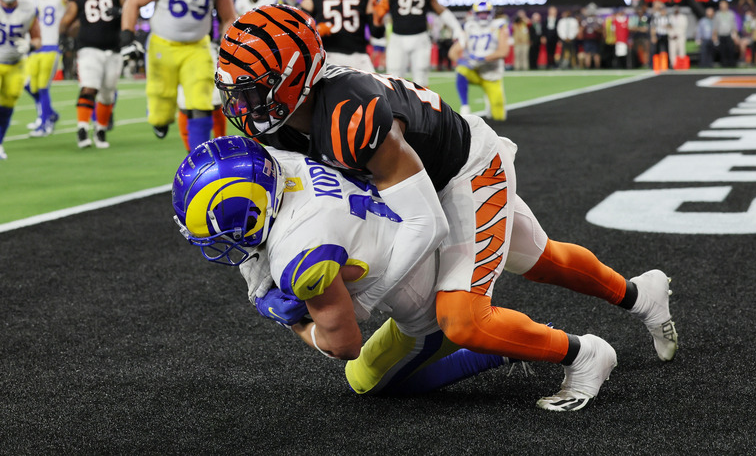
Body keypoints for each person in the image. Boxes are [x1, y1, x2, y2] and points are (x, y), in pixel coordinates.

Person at [214, 4, 679, 411]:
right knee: (538, 259)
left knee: (462, 316)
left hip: (464, 171)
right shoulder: (282, 121)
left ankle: (585, 356)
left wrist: (363, 302)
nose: (241, 104)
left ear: (296, 77)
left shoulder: (348, 116)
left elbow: (426, 223)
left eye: (252, 91)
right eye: (235, 91)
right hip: (422, 180)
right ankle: (641, 296)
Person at [173, 136, 521, 396]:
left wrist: (292, 321)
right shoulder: (282, 157)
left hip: (431, 296)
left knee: (364, 379)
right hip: (446, 221)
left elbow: (345, 345)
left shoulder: (298, 254)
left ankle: (503, 345)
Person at [120, 0, 236, 151]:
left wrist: (229, 45)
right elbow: (133, 2)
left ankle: (199, 156)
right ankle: (160, 120)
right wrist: (127, 39)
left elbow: (228, 16)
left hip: (197, 46)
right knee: (161, 108)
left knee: (201, 101)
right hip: (163, 45)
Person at [58, 0, 125, 149]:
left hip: (113, 49)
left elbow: (130, 6)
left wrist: (120, 12)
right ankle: (81, 129)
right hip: (88, 48)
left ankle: (101, 130)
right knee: (88, 87)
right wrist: (63, 36)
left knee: (107, 94)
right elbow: (67, 18)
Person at [372, 0, 462, 87]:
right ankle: (395, 108)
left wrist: (456, 26)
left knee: (421, 78)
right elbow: (379, 12)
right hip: (398, 38)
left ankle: (422, 108)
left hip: (420, 37)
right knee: (393, 78)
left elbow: (439, 9)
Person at [25, 0, 77, 137]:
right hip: (34, 48)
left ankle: (45, 123)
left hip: (52, 46)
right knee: (28, 85)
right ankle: (50, 114)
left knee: (42, 87)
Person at [0, 0, 41, 160]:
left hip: (16, 64)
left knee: (7, 107)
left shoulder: (28, 8)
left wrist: (30, 46)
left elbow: (37, 38)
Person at [448, 1, 510, 120]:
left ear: (491, 13)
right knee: (461, 70)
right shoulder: (469, 26)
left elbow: (504, 51)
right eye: (480, 13)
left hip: (492, 74)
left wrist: (482, 58)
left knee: (499, 117)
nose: (483, 16)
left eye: (486, 13)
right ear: (475, 14)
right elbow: (452, 52)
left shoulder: (499, 25)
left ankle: (489, 99)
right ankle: (465, 106)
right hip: (475, 71)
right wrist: (461, 61)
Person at [713, 0, 737, 67]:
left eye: (724, 4)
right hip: (721, 35)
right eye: (721, 5)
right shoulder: (717, 14)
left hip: (729, 34)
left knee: (730, 49)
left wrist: (735, 35)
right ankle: (724, 64)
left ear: (727, 5)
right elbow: (715, 26)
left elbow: (734, 25)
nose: (722, 6)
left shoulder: (731, 14)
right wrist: (714, 35)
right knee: (722, 50)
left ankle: (732, 64)